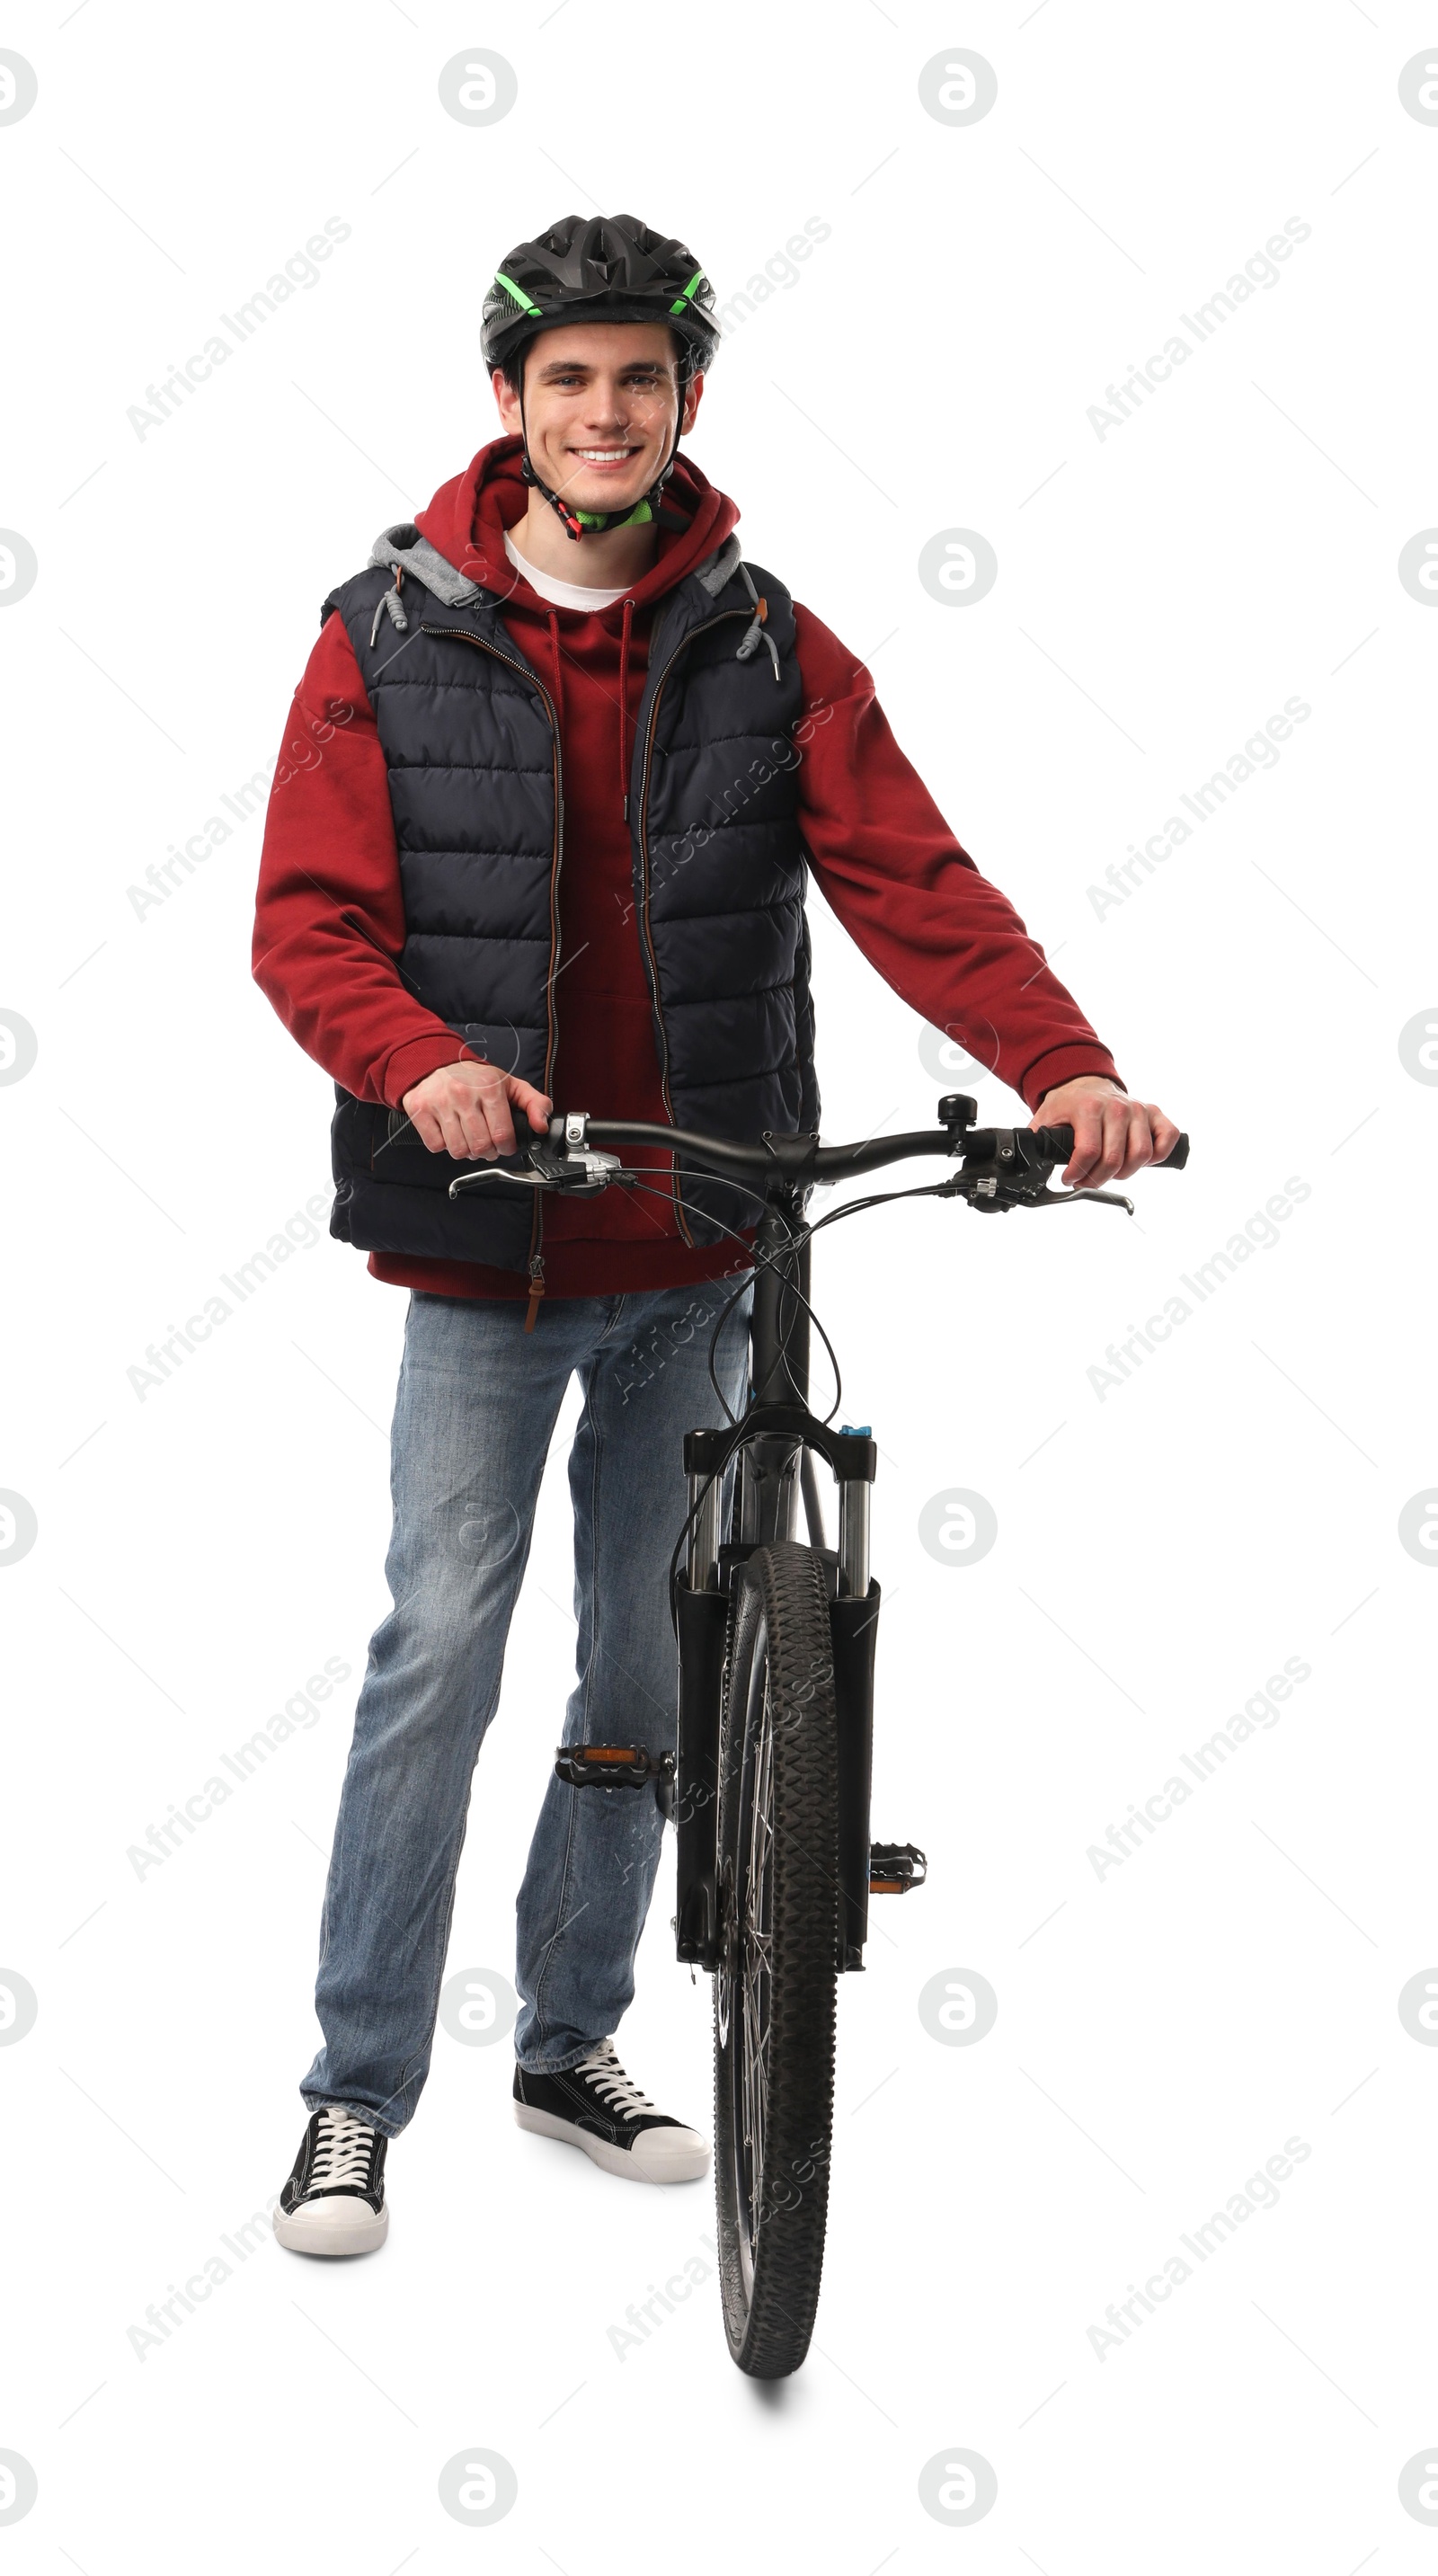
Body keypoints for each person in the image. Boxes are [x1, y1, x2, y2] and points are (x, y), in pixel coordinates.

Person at [252, 211, 1180, 2256]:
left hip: (702, 1231)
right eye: (565, 378)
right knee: (438, 1654)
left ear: (686, 402)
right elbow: (307, 924)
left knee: (638, 1677)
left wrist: (1063, 1065)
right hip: (489, 1244)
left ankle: (567, 2034)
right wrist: (419, 1062)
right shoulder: (385, 628)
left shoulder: (764, 637)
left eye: (639, 378)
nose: (603, 410)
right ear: (508, 404)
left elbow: (910, 876)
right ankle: (350, 2090)